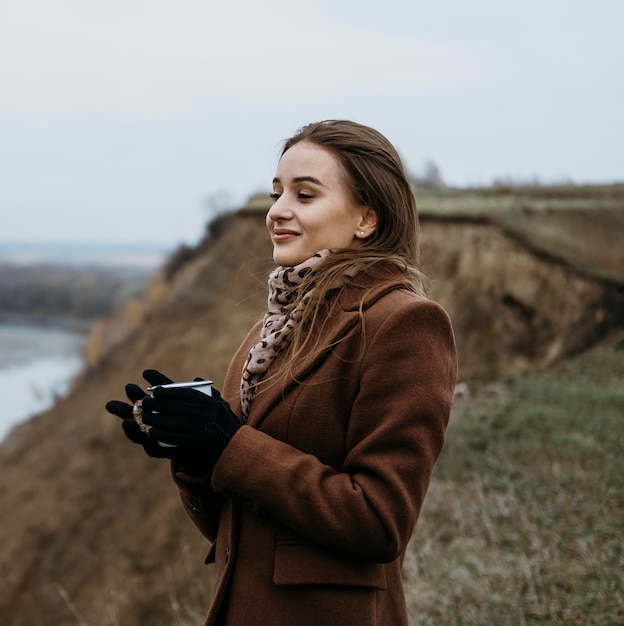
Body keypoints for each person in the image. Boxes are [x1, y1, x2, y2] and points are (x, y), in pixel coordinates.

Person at [106, 119, 457, 625]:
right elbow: (242, 530)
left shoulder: (403, 323)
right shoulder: (271, 331)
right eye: (277, 193)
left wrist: (230, 445)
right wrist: (194, 456)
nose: (277, 211)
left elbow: (381, 522)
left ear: (366, 219)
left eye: (305, 194)